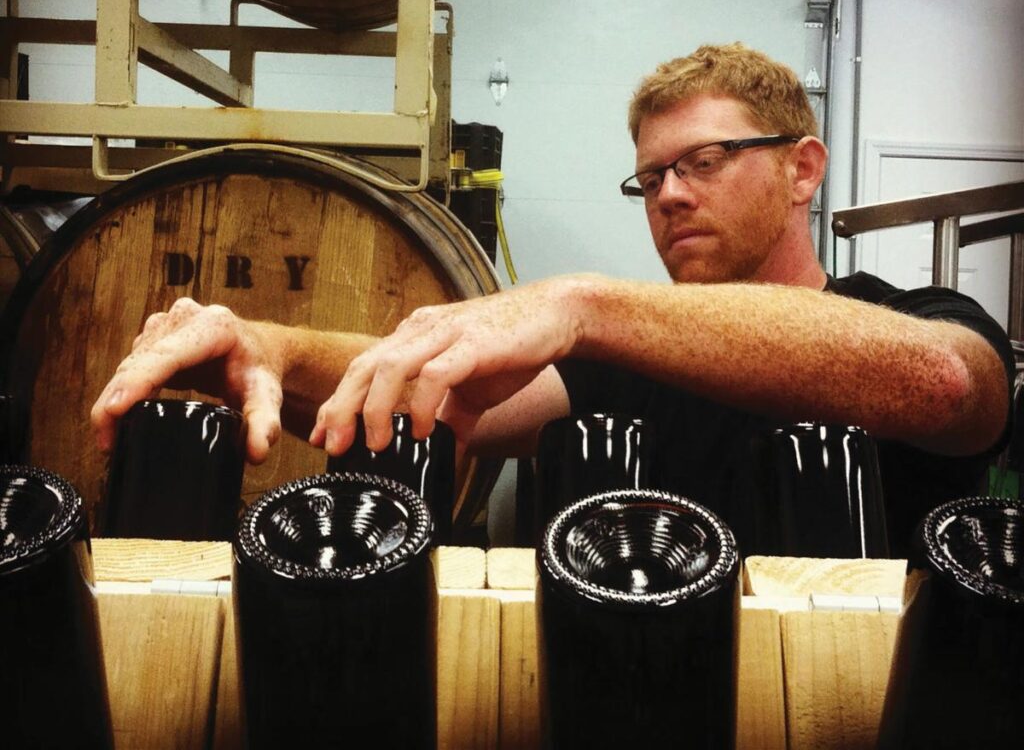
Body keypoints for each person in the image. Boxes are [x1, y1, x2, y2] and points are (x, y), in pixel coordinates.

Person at [90, 43, 1015, 554]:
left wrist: (582, 302)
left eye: (703, 162)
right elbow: (435, 394)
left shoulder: (919, 312)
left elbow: (942, 384)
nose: (671, 196)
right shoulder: (632, 365)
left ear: (801, 168)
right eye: (650, 178)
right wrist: (272, 346)